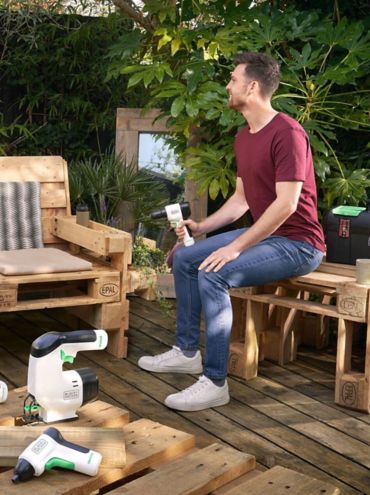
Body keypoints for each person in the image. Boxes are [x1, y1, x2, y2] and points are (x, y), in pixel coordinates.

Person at [138, 52, 326, 411]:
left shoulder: (287, 133)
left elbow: (286, 205)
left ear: (252, 86)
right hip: (266, 235)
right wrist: (202, 227)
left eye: (233, 79)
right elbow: (241, 199)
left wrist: (235, 247)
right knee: (185, 256)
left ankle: (214, 381)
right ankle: (187, 351)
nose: (228, 85)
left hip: (299, 244)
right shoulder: (245, 136)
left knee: (216, 270)